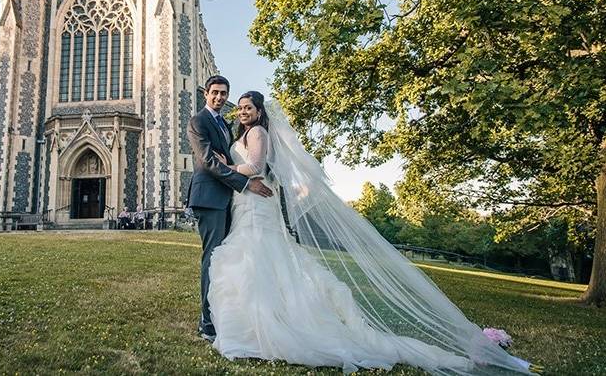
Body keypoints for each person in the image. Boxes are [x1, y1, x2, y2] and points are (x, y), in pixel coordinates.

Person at [206, 91, 537, 375]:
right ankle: (258, 322)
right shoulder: (244, 133)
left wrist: (227, 167)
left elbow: (257, 167)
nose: (243, 110)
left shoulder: (258, 134)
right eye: (242, 107)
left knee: (258, 259)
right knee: (261, 261)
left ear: (260, 111)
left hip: (255, 201)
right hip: (247, 203)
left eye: (249, 106)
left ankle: (270, 327)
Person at [186, 76, 273, 342]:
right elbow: (208, 161)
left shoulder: (225, 123)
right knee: (212, 257)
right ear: (206, 94)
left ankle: (224, 313)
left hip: (228, 199)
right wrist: (245, 182)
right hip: (210, 198)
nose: (220, 97)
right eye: (215, 93)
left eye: (224, 93)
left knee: (225, 258)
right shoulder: (198, 121)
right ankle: (206, 321)